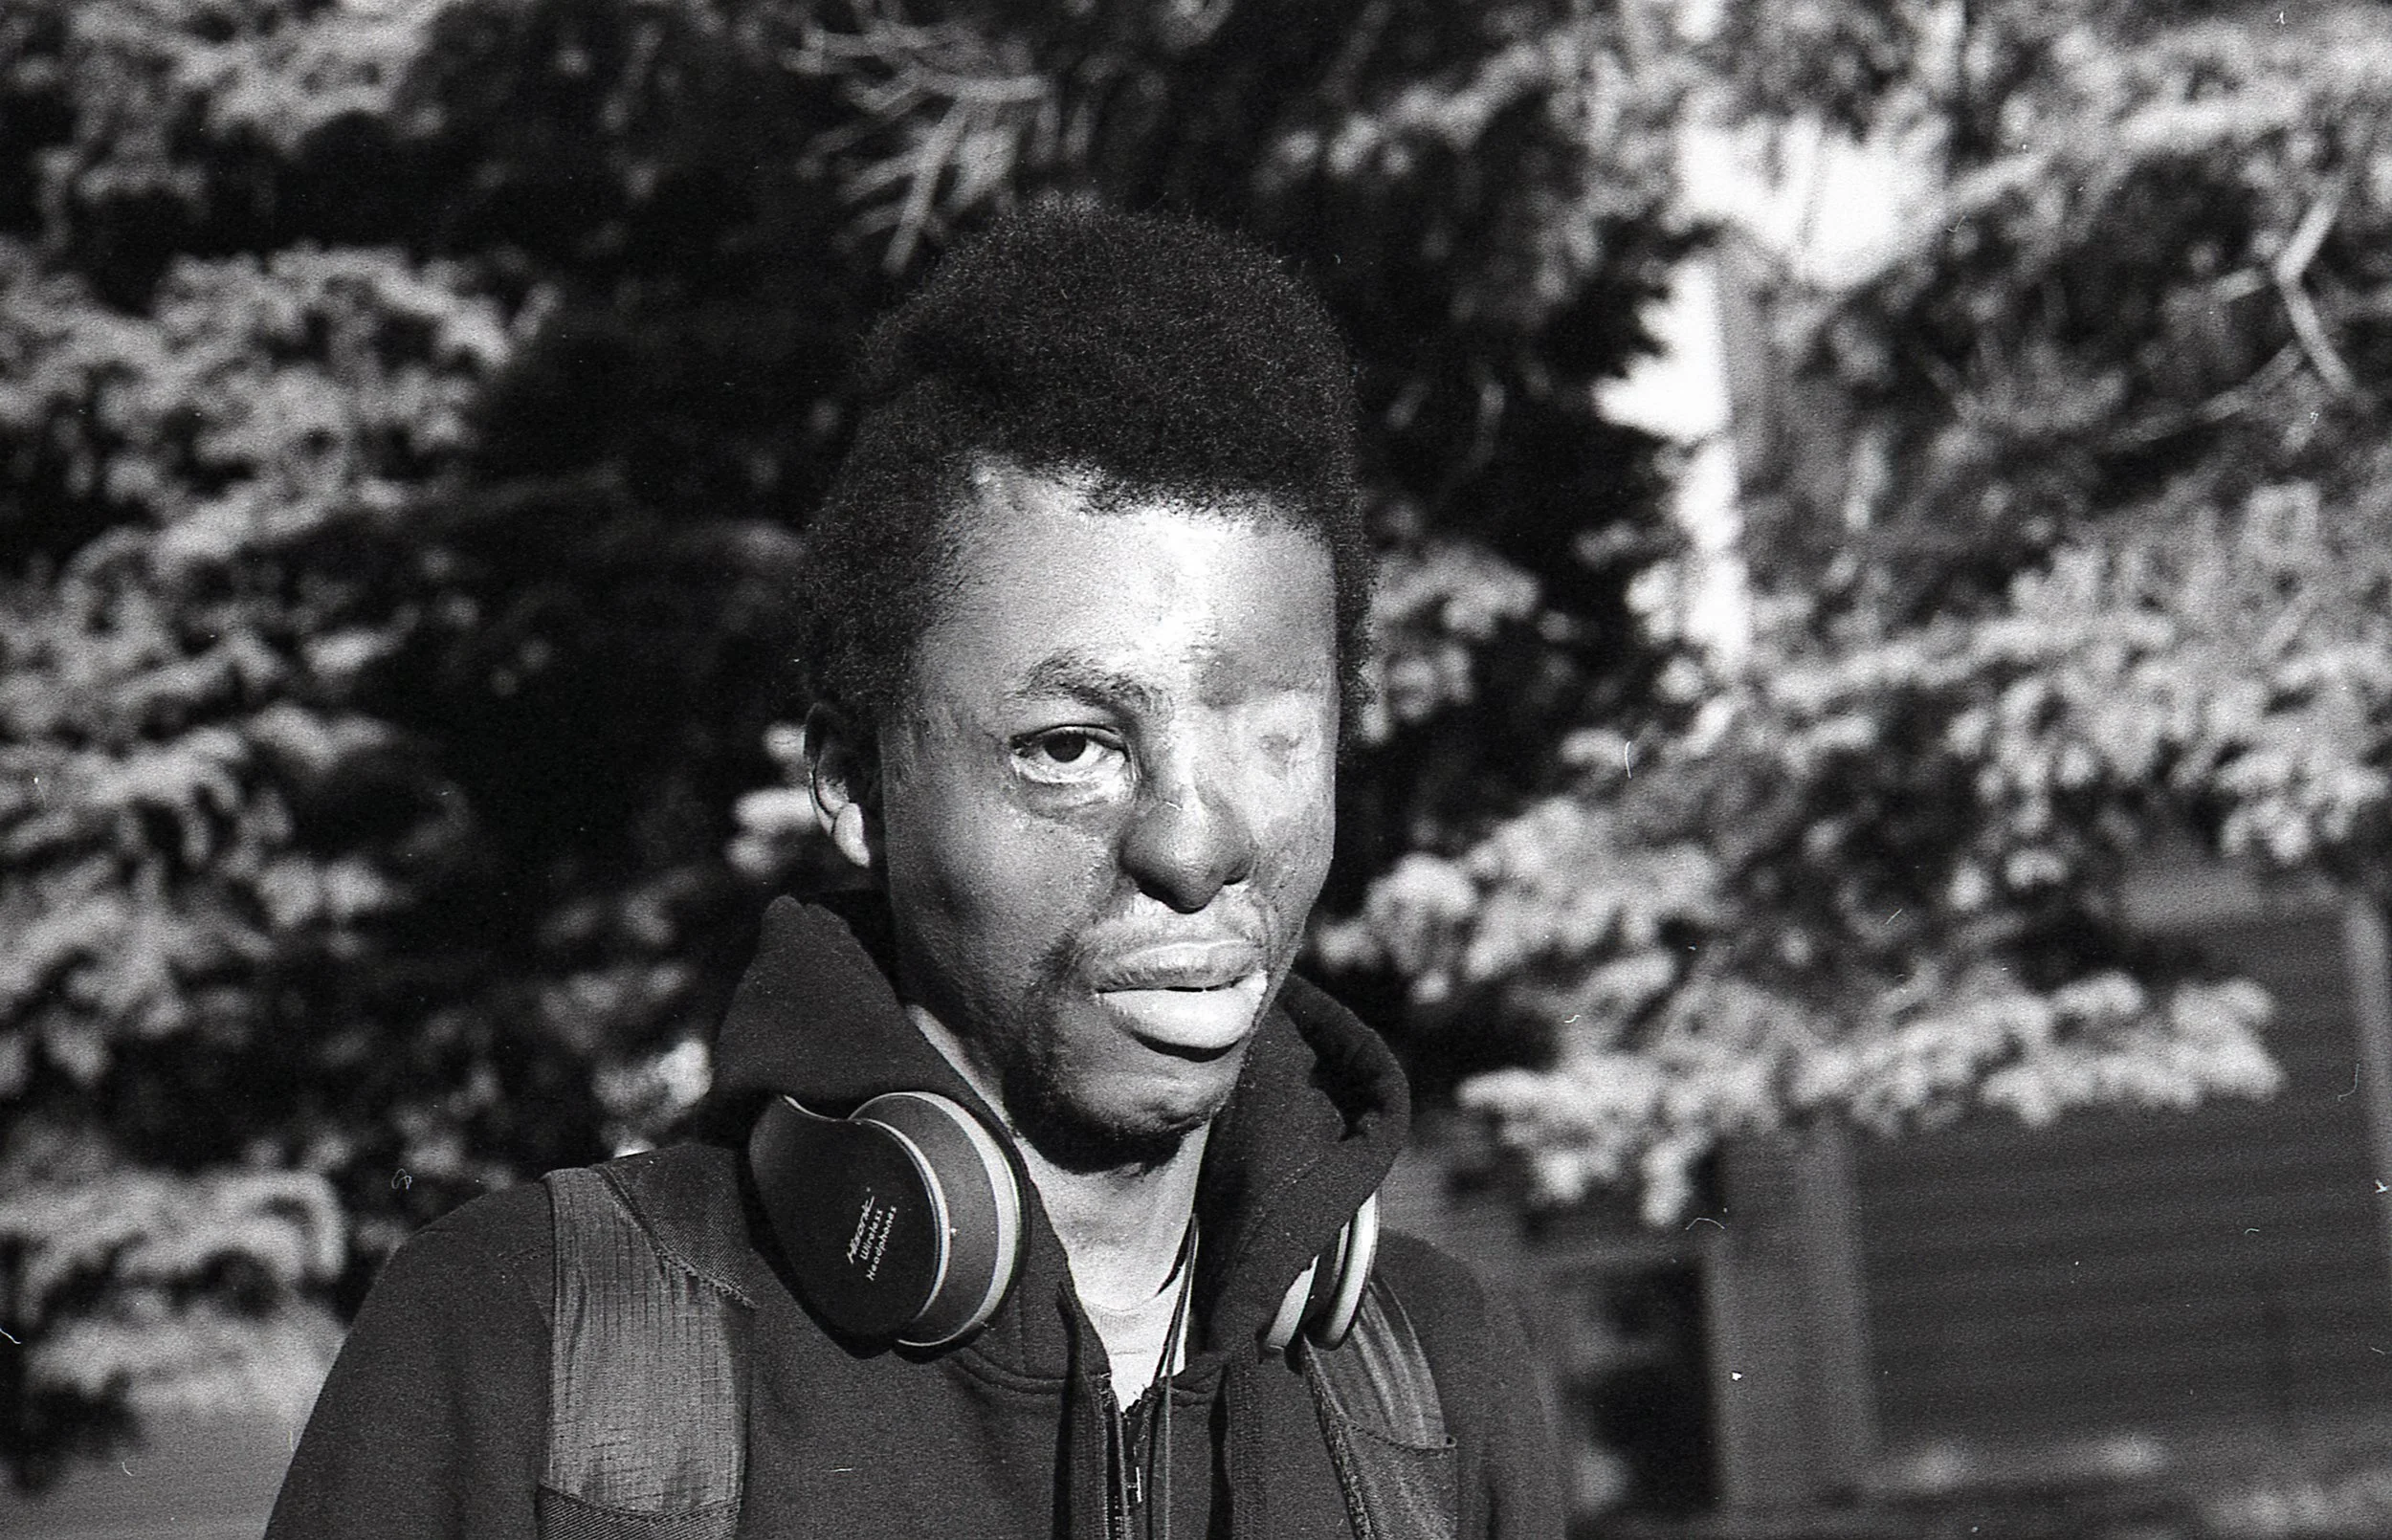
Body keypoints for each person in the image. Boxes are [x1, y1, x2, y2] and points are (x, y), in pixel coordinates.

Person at [263, 202, 1561, 1539]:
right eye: (1070, 746)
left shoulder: (1434, 1395)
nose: (1198, 840)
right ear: (850, 782)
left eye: (1278, 737)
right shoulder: (521, 1350)